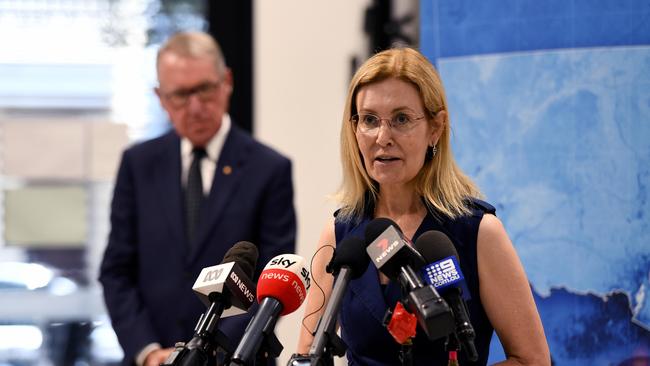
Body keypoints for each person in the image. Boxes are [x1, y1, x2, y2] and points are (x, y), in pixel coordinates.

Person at [297, 47, 550, 365]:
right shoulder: (340, 233)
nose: (383, 137)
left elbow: (531, 359)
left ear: (436, 127)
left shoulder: (478, 232)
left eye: (401, 119)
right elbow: (308, 353)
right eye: (370, 120)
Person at [99, 31, 296, 366]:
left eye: (204, 89)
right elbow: (117, 272)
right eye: (180, 95)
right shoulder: (138, 164)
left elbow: (271, 285)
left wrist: (208, 354)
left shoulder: (269, 169)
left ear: (227, 82)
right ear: (161, 98)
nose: (195, 107)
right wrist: (148, 351)